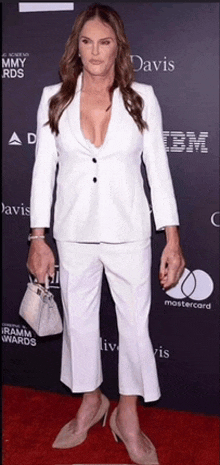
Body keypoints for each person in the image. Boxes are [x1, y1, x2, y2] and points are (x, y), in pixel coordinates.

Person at [27, 3, 185, 464]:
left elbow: (159, 170)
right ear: (76, 46)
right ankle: (92, 400)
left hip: (130, 231)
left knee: (135, 328)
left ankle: (128, 415)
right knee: (79, 324)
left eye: (105, 42)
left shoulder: (142, 97)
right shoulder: (54, 97)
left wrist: (172, 239)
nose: (95, 52)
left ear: (118, 46)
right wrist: (39, 237)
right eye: (87, 41)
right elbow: (43, 174)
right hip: (74, 232)